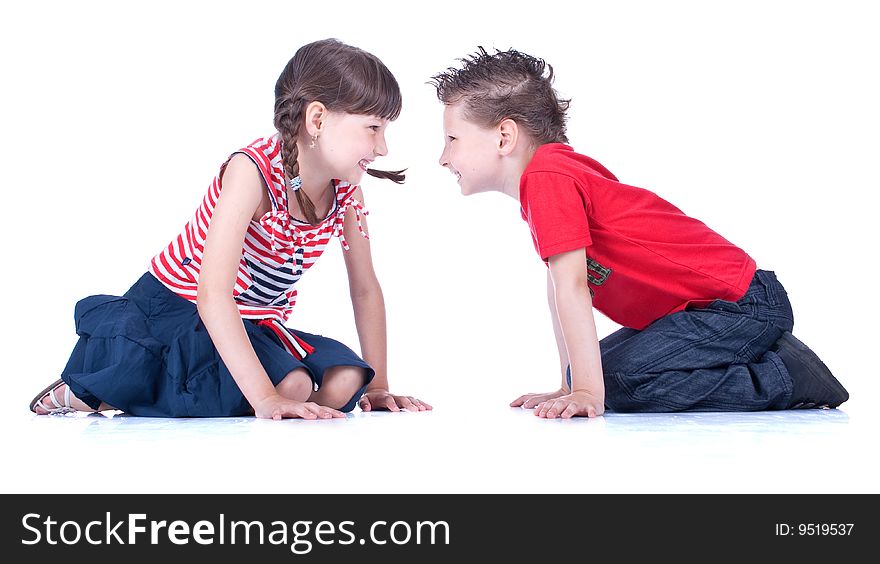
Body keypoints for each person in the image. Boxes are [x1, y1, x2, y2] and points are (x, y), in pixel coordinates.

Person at [430, 47, 848, 418]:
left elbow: (573, 288)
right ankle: (765, 353)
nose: (443, 157)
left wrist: (589, 391)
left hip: (738, 305)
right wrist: (571, 383)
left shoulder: (548, 177)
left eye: (452, 139)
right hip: (709, 310)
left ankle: (784, 375)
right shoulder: (552, 174)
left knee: (613, 383)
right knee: (596, 373)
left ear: (504, 136)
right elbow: (560, 289)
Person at [30, 39, 431, 419]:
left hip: (251, 318)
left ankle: (231, 394)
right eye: (373, 129)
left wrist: (378, 385)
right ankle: (101, 389)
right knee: (289, 385)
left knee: (348, 379)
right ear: (317, 119)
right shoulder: (251, 172)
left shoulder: (347, 192)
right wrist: (265, 397)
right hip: (178, 310)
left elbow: (364, 287)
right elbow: (211, 293)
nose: (382, 149)